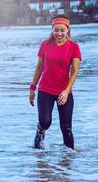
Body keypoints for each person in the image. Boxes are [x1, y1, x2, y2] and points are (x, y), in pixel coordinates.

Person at [29, 15, 81, 150]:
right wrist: (32, 88)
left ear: (68, 30)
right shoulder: (45, 45)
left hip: (64, 92)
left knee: (67, 129)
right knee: (45, 122)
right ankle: (40, 131)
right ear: (52, 29)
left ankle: (68, 163)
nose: (59, 33)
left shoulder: (74, 47)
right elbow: (39, 67)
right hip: (45, 90)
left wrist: (66, 90)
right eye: (56, 30)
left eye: (62, 30)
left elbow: (74, 71)